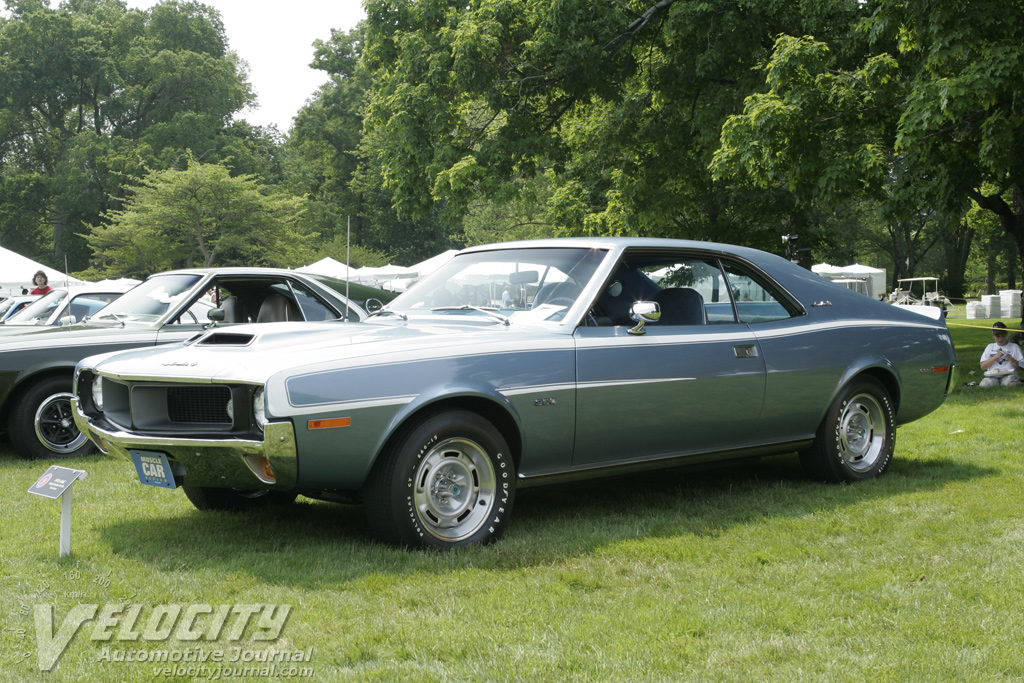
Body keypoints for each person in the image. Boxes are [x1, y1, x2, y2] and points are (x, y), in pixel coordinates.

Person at [980, 321, 1024, 387]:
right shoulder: (990, 347)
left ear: (1006, 334)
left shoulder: (1014, 347)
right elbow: (983, 366)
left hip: (1009, 374)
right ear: (993, 336)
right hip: (992, 375)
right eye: (998, 336)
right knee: (984, 385)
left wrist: (1013, 360)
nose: (1000, 339)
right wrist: (995, 357)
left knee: (1012, 384)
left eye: (1003, 336)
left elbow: (1022, 367)